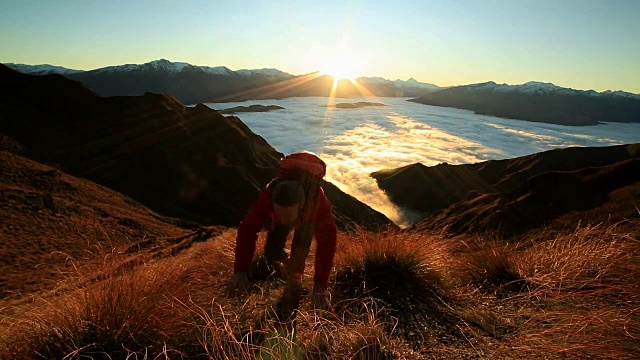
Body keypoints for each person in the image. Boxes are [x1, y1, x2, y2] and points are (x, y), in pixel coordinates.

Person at [230, 152, 337, 315]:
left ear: (301, 207)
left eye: (287, 216)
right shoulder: (268, 195)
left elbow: (327, 243)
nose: (283, 219)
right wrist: (240, 270)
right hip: (282, 212)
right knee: (272, 253)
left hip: (305, 220)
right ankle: (278, 263)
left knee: (299, 252)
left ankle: (293, 284)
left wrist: (319, 288)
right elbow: (248, 229)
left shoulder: (316, 203)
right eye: (279, 214)